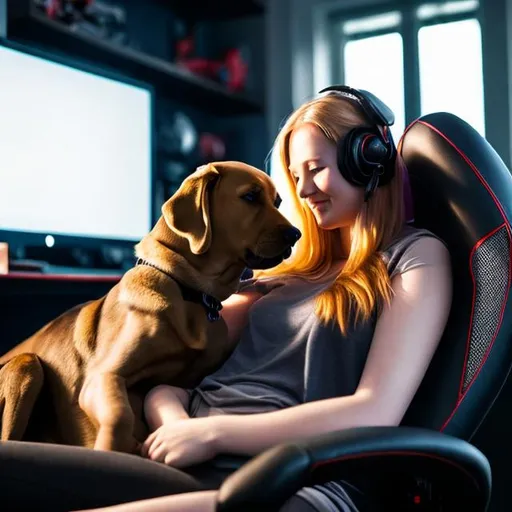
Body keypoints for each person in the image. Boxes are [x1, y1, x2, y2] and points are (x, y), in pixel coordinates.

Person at [3, 86, 453, 512]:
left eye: (315, 168)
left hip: (270, 471)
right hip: (180, 448)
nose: (304, 190)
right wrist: (178, 423)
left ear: (366, 159)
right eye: (296, 176)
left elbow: (376, 409)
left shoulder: (415, 258)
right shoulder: (281, 277)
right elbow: (172, 377)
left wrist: (216, 434)